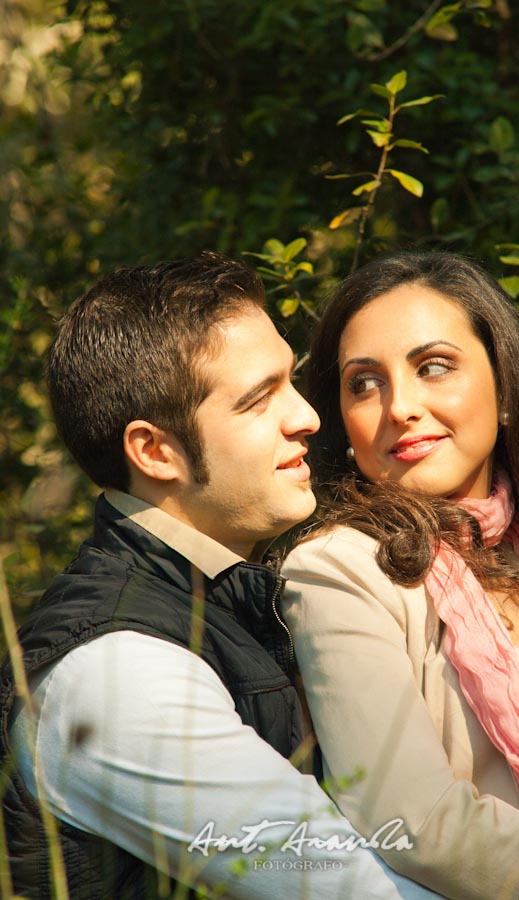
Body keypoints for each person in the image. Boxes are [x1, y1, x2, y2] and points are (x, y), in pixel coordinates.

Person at [0, 253, 442, 900]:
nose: (307, 417)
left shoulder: (229, 600)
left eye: (292, 382)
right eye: (259, 399)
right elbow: (354, 890)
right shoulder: (117, 673)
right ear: (155, 451)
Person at [281, 250, 519, 900]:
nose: (400, 407)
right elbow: (415, 822)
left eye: (433, 367)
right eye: (364, 383)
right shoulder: (339, 571)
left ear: (505, 386)